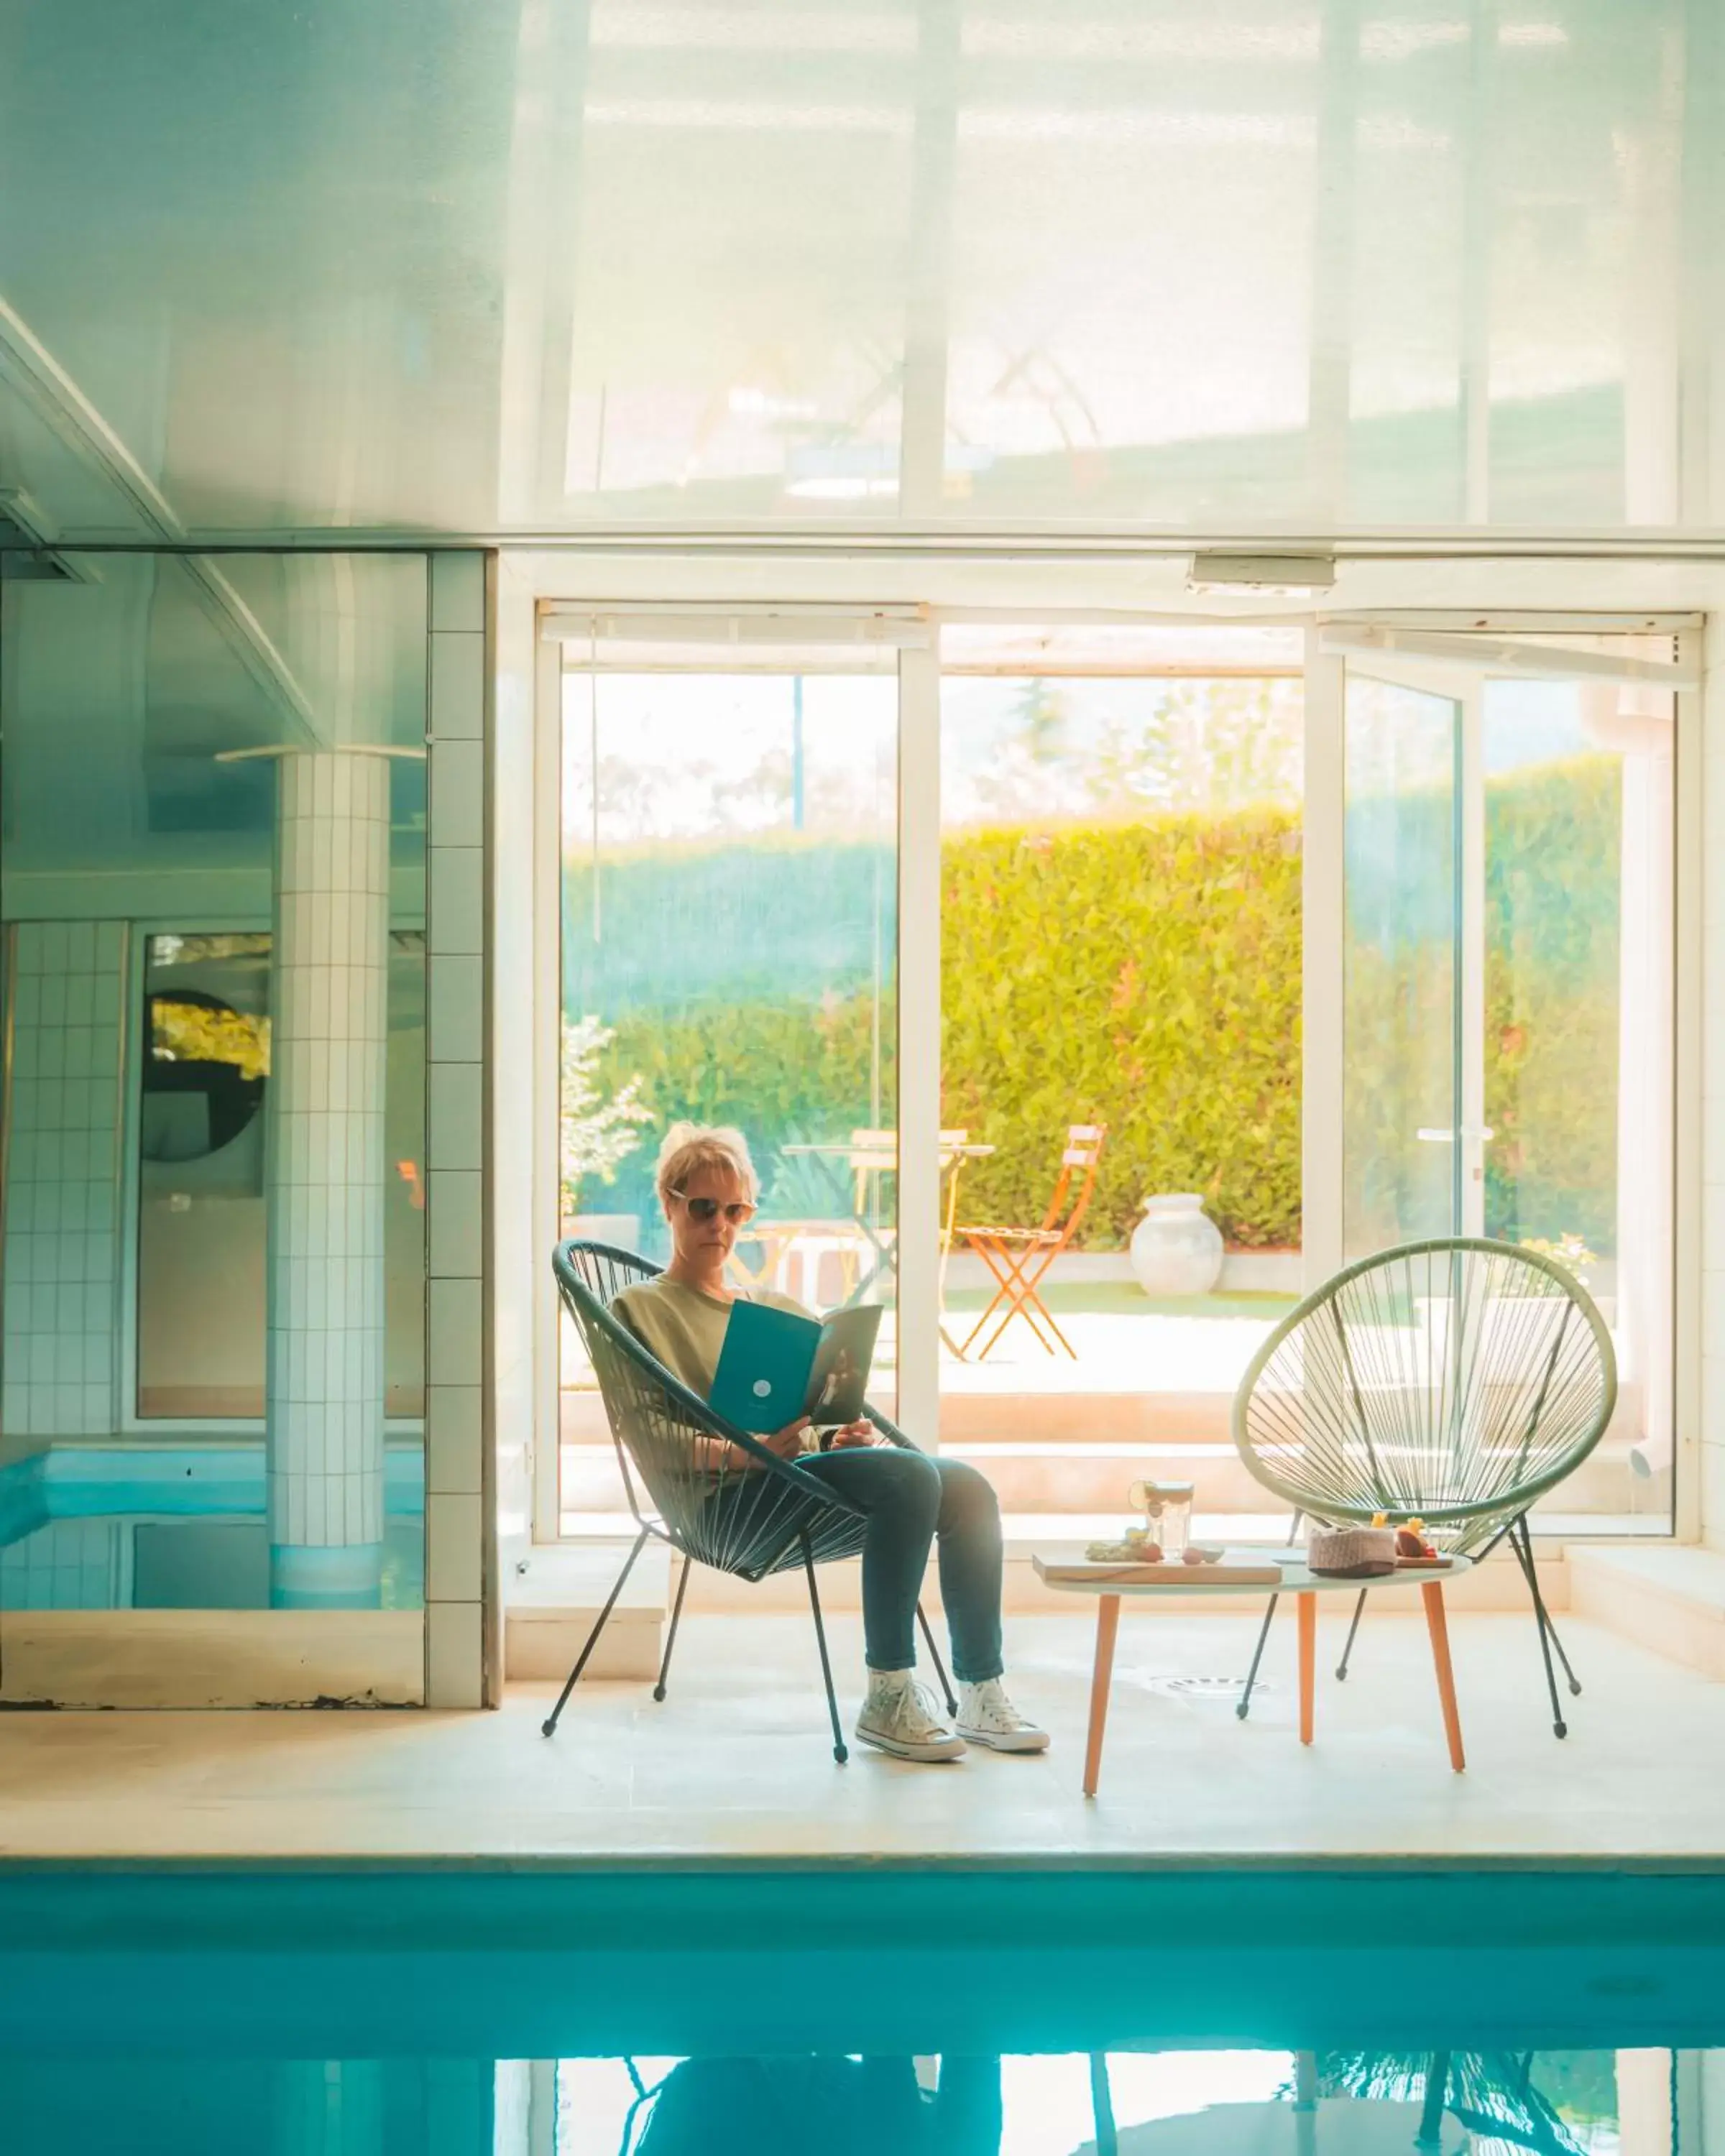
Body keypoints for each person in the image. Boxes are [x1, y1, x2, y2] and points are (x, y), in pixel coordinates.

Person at [612, 1123, 1049, 1764]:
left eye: (737, 1211)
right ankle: (889, 1695)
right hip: (725, 1505)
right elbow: (645, 1433)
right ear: (669, 1203)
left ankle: (981, 1690)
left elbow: (799, 1420)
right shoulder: (641, 1308)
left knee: (966, 1487)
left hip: (791, 1481)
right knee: (909, 1477)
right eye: (703, 1208)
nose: (721, 1226)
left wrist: (836, 1433)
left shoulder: (771, 1307)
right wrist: (740, 1453)